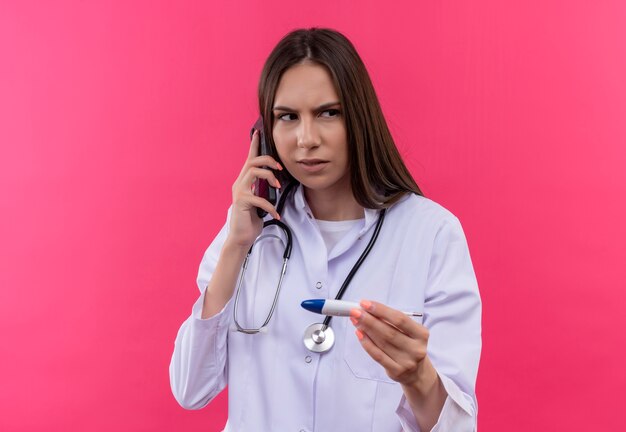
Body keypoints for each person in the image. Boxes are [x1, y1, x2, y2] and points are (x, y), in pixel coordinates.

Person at [169, 28, 481, 432]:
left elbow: (459, 428)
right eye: (288, 117)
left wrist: (417, 376)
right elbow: (190, 389)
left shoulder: (433, 235)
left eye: (328, 113)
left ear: (360, 118)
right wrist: (236, 247)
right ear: (264, 133)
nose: (306, 140)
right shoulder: (246, 237)